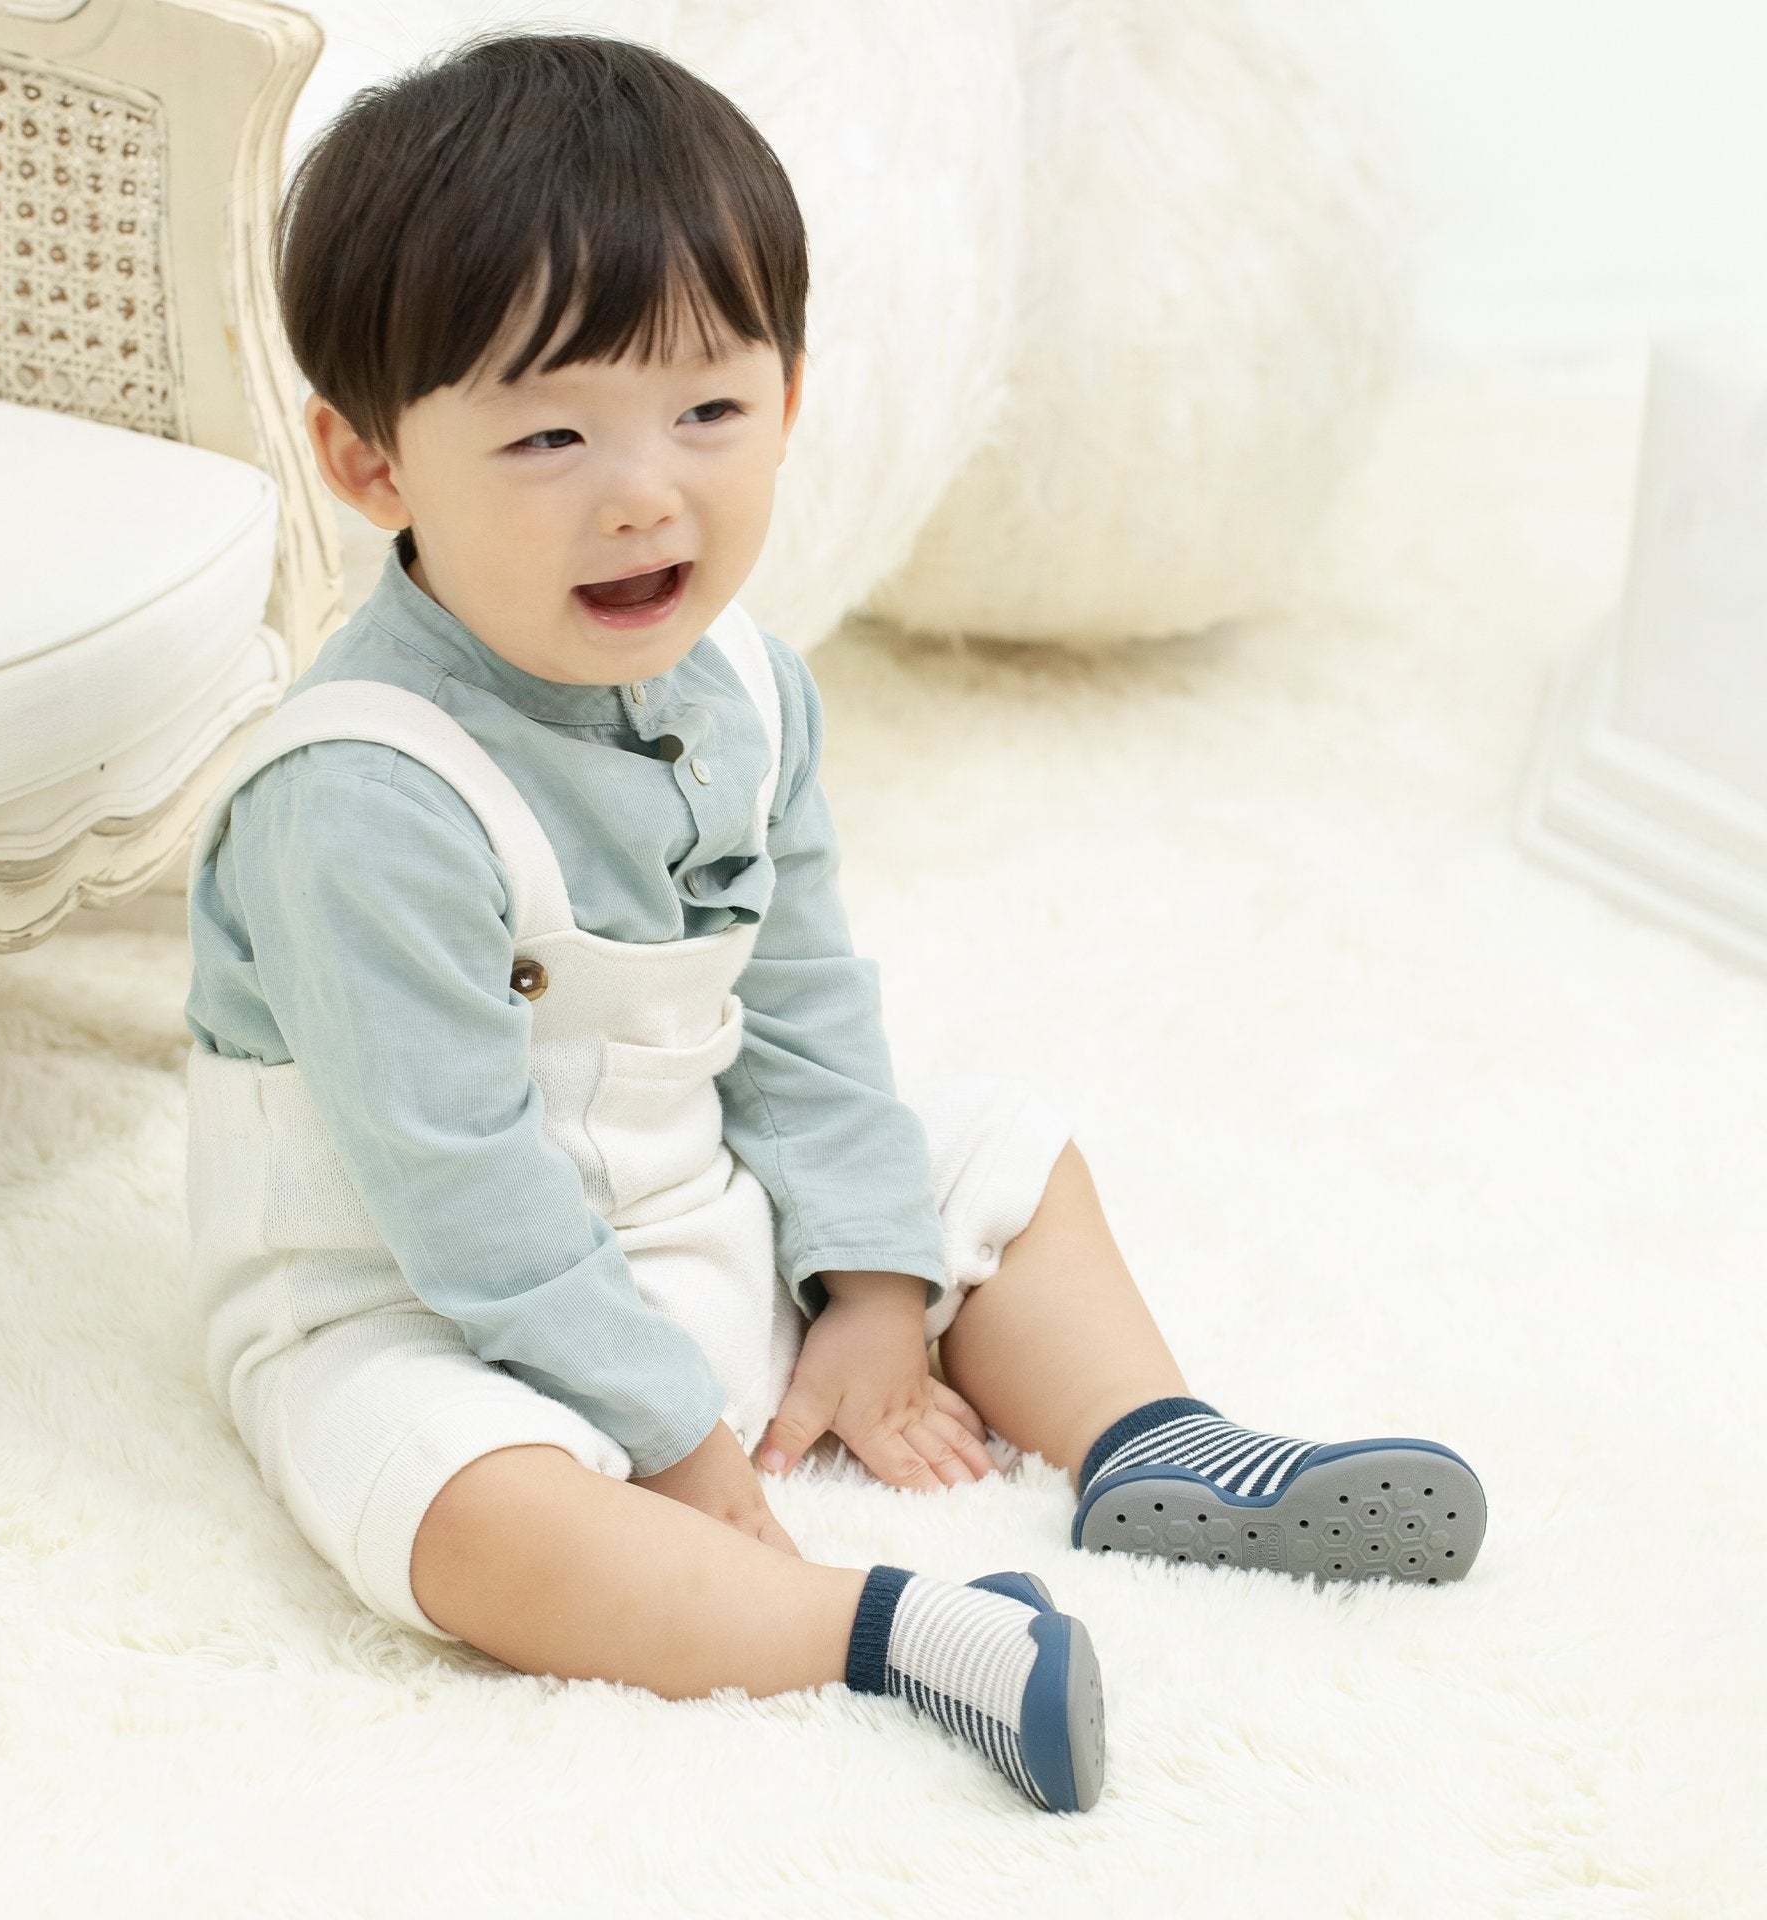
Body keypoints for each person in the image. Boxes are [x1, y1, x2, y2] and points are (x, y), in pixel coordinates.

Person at [181, 28, 1485, 1818]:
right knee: (466, 1518)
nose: (645, 492)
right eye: (550, 434)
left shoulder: (748, 689)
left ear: (792, 398)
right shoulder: (361, 795)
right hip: (427, 1305)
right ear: (371, 463)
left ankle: (1156, 1445)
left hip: (691, 1204)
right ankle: (891, 1631)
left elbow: (798, 1003)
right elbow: (462, 1194)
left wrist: (870, 1283)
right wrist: (676, 1442)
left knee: (1008, 1152)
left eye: (709, 413)